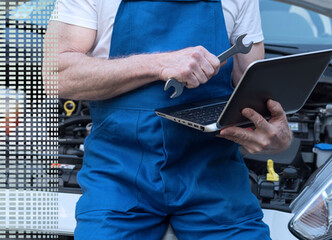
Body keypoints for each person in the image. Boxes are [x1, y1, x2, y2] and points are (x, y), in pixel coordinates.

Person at [43, 0, 292, 239]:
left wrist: (276, 133)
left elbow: (254, 90)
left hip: (214, 176)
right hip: (117, 175)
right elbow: (56, 75)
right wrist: (159, 63)